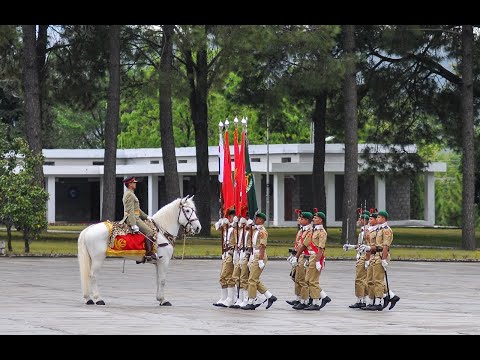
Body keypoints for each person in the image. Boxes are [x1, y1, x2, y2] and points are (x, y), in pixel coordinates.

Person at [292, 211, 331, 310]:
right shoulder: (313, 231)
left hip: (317, 257)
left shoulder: (322, 232)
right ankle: (321, 298)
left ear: (321, 220)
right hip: (311, 257)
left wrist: (318, 261)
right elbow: (304, 244)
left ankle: (316, 302)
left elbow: (321, 248)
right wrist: (296, 256)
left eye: (316, 218)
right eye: (313, 218)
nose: (313, 219)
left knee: (313, 281)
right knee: (307, 280)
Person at [241, 211, 277, 310]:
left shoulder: (262, 232)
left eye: (256, 218)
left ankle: (251, 301)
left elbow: (262, 246)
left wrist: (260, 260)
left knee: (252, 280)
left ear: (261, 220)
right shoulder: (256, 230)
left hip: (259, 255)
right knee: (254, 278)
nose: (254, 220)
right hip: (254, 254)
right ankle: (270, 296)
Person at [119, 176, 156, 263]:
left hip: (136, 217)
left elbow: (137, 209)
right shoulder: (129, 194)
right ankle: (149, 254)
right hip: (133, 218)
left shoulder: (131, 193)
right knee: (150, 232)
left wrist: (146, 217)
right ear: (129, 184)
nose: (135, 184)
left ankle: (140, 254)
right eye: (133, 182)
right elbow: (130, 211)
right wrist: (133, 224)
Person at [289, 211, 313, 310]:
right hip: (300, 255)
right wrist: (294, 255)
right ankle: (299, 298)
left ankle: (305, 300)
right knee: (297, 278)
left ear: (307, 220)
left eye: (301, 219)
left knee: (303, 280)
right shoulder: (302, 230)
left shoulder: (310, 231)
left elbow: (304, 245)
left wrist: (296, 256)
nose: (299, 220)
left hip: (305, 256)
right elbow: (298, 244)